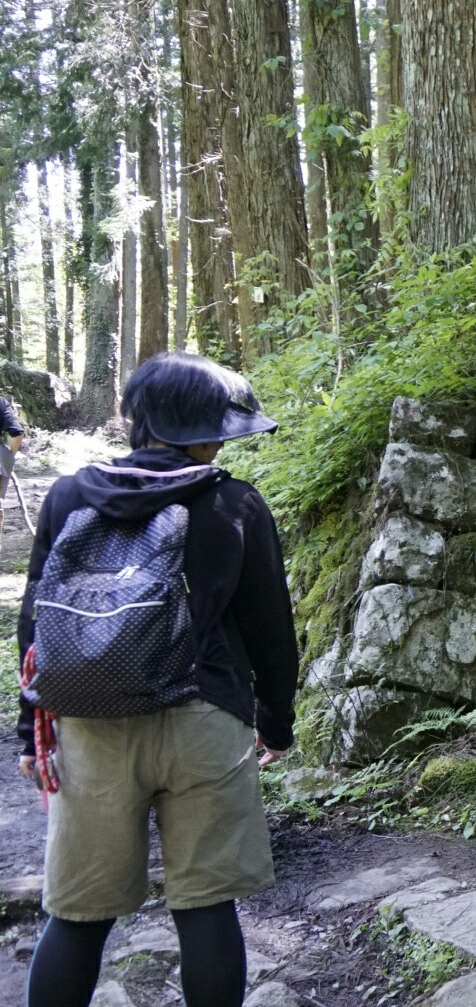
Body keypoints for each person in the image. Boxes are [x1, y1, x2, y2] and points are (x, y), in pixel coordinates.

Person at [14, 353, 297, 1007]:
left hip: (90, 722)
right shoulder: (234, 501)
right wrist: (276, 718)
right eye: (219, 428)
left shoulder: (68, 495)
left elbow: (34, 625)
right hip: (205, 718)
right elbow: (268, 628)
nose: (225, 441)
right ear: (196, 430)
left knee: (78, 915)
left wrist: (30, 734)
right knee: (204, 907)